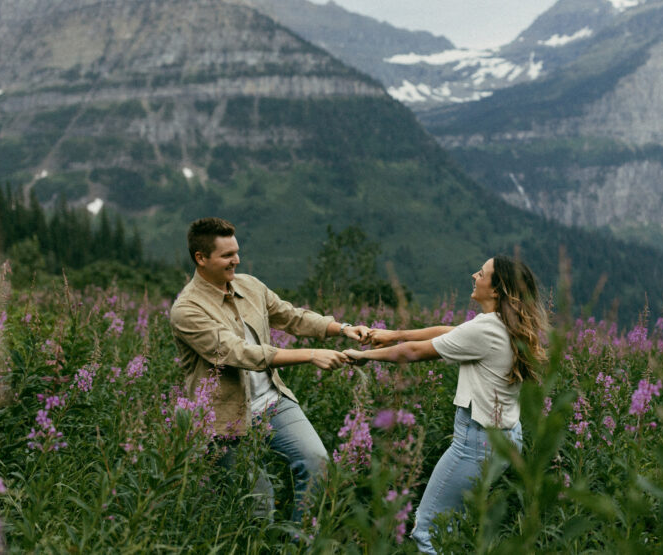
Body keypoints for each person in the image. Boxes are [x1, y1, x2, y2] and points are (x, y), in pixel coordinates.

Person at [344, 255, 548, 554]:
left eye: (481, 273)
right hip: (505, 438)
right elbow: (447, 331)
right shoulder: (503, 324)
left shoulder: (487, 330)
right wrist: (393, 335)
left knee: (428, 531)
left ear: (496, 290)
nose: (473, 275)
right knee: (453, 528)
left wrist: (362, 357)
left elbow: (416, 351)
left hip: (477, 442)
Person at [170, 216, 368, 521]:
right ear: (201, 258)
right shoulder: (187, 310)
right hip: (224, 417)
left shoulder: (249, 286)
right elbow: (238, 353)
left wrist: (341, 329)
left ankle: (300, 545)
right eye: (226, 255)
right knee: (259, 502)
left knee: (319, 467)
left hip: (272, 402)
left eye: (236, 251)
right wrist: (310, 354)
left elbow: (292, 317)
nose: (236, 260)